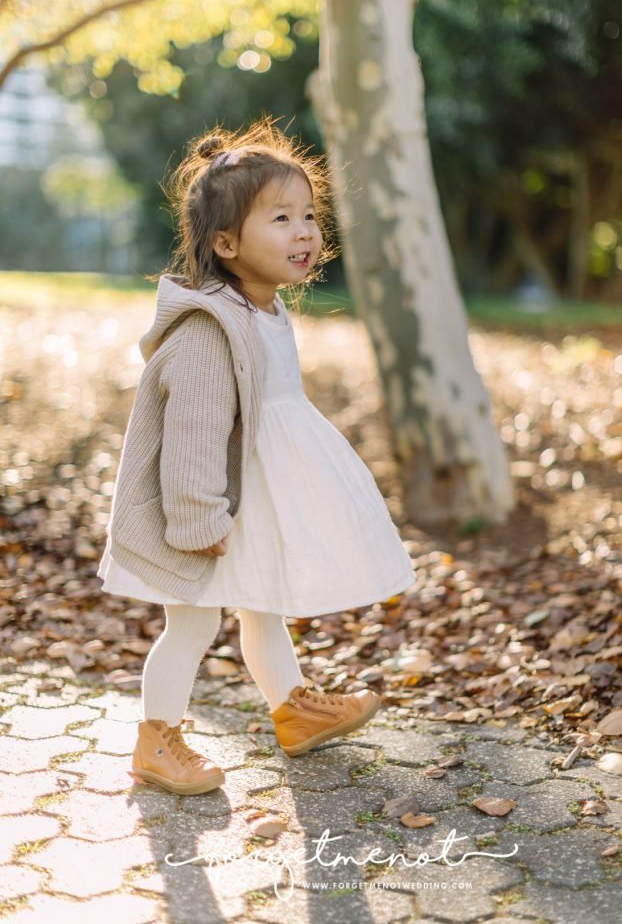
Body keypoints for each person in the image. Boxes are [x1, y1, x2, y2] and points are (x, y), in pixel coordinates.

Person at [97, 116, 417, 796]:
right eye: (281, 218)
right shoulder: (211, 330)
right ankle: (157, 739)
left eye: (308, 215)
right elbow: (192, 434)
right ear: (226, 242)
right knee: (192, 621)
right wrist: (197, 520)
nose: (305, 232)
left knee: (261, 601)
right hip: (205, 509)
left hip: (249, 496)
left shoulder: (264, 310)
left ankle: (293, 710)